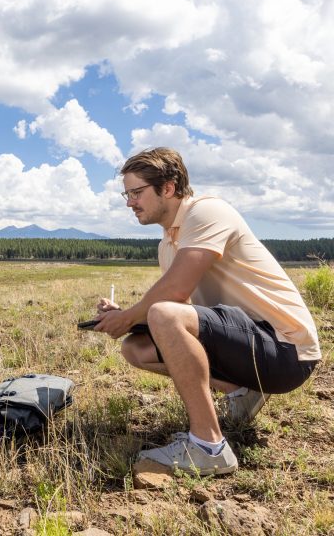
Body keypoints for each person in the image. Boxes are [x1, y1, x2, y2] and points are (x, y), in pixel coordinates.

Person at [93, 148, 320, 475]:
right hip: (249, 347)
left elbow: (173, 296)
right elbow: (182, 315)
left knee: (161, 314)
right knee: (136, 348)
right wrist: (124, 316)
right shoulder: (167, 244)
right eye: (126, 194)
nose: (129, 202)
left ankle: (208, 446)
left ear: (167, 188)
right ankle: (242, 394)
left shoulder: (206, 212)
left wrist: (130, 315)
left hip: (286, 351)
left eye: (137, 192)